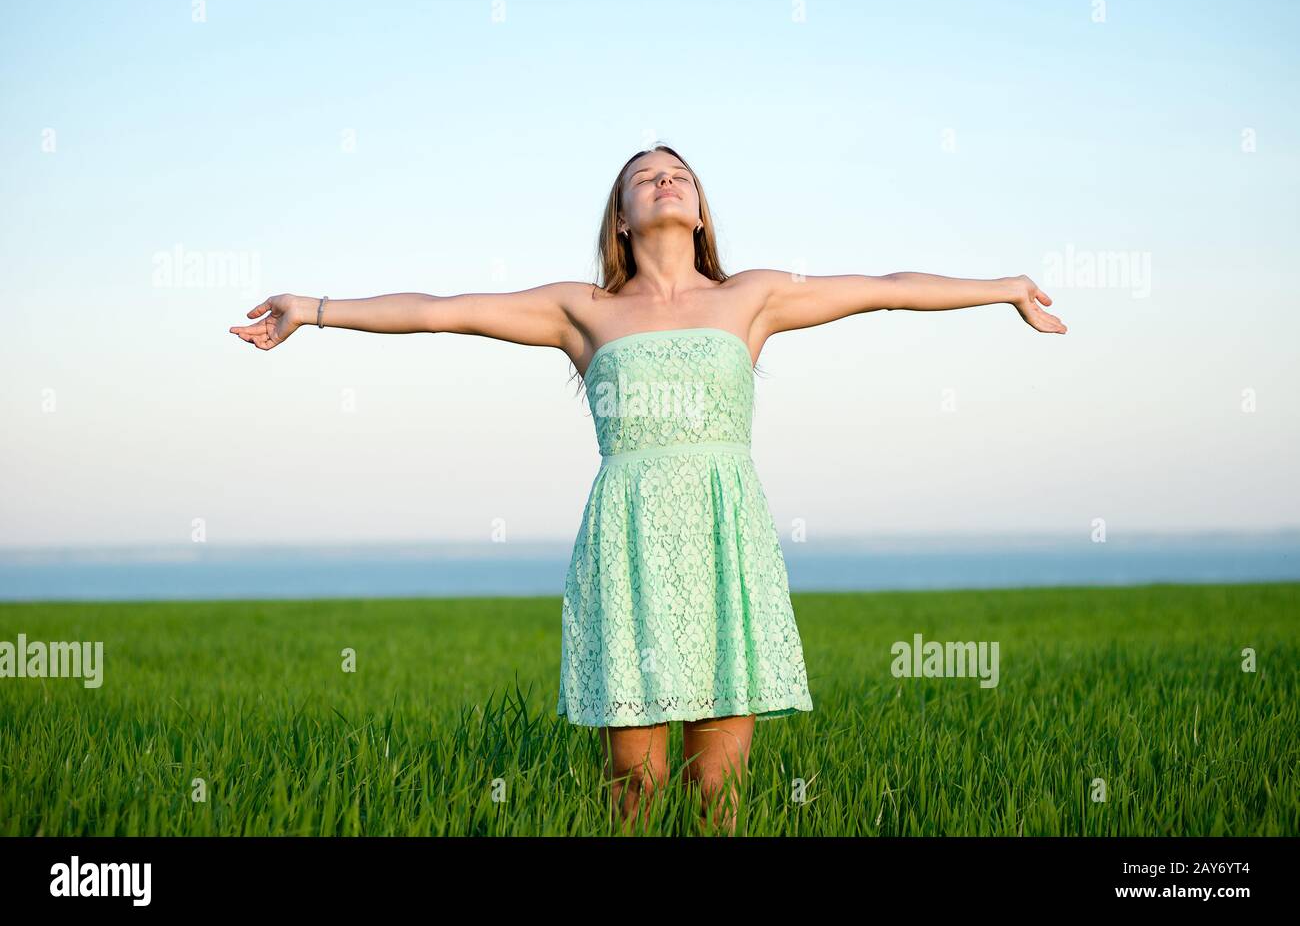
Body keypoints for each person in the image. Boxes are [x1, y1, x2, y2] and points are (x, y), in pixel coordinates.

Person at [229, 144, 1067, 835]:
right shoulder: (581, 309)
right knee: (633, 785)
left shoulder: (754, 297)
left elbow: (887, 290)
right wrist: (316, 307)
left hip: (723, 536)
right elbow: (444, 309)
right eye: (644, 176)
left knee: (718, 795)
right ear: (623, 219)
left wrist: (1005, 290)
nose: (665, 179)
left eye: (679, 173)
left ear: (698, 213)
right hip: (626, 541)